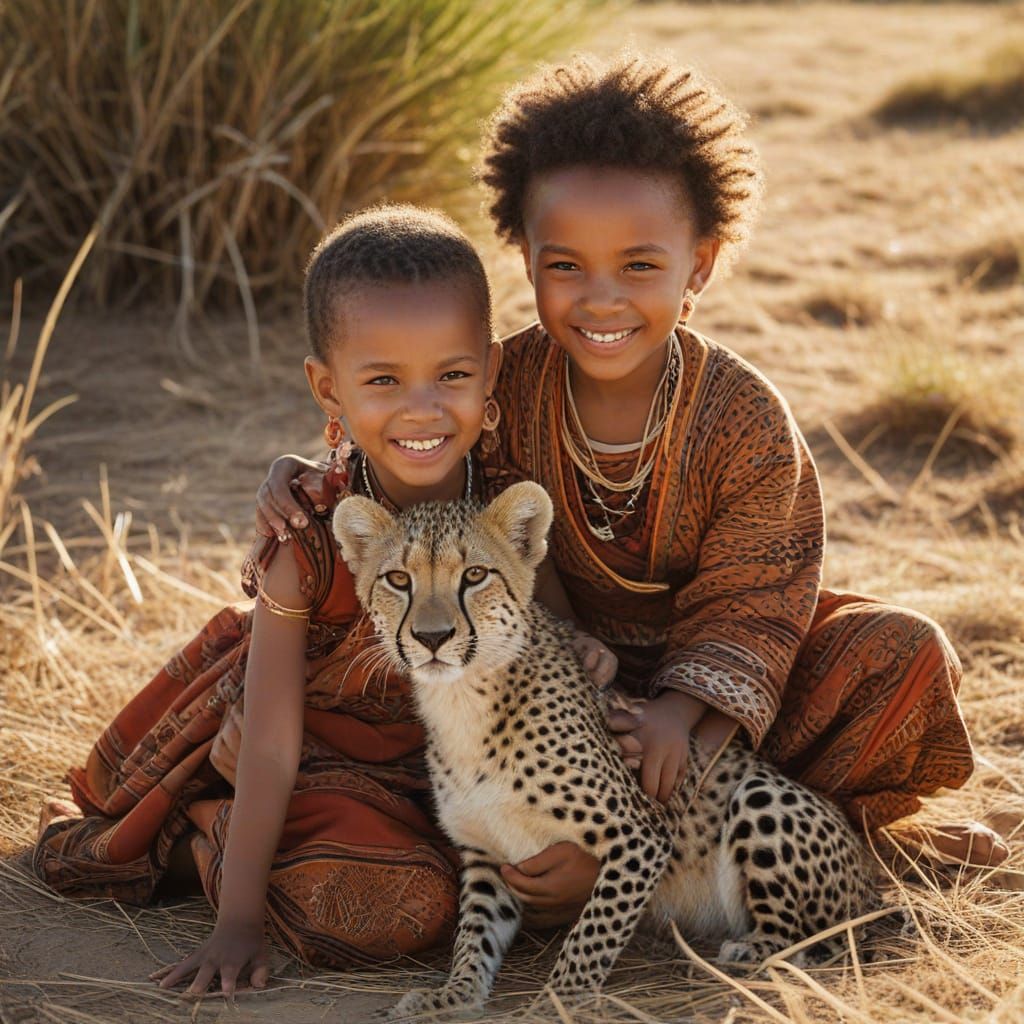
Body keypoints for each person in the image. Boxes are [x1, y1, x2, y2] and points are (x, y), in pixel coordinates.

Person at [257, 54, 1009, 926]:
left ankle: (828, 838)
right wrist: (307, 471)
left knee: (898, 655)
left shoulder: (746, 417)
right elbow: (417, 452)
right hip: (533, 683)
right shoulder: (504, 380)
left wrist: (682, 715)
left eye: (641, 266)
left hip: (707, 695)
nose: (601, 298)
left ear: (701, 264)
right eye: (566, 265)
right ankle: (584, 844)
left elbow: (761, 597)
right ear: (526, 259)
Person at [32, 204, 615, 996]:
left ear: (490, 371)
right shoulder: (307, 539)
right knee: (390, 912)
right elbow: (270, 744)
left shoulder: (505, 510)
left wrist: (590, 655)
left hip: (448, 777)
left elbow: (555, 642)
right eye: (382, 381)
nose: (421, 409)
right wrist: (236, 920)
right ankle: (196, 836)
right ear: (326, 388)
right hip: (306, 763)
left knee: (490, 879)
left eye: (452, 374)